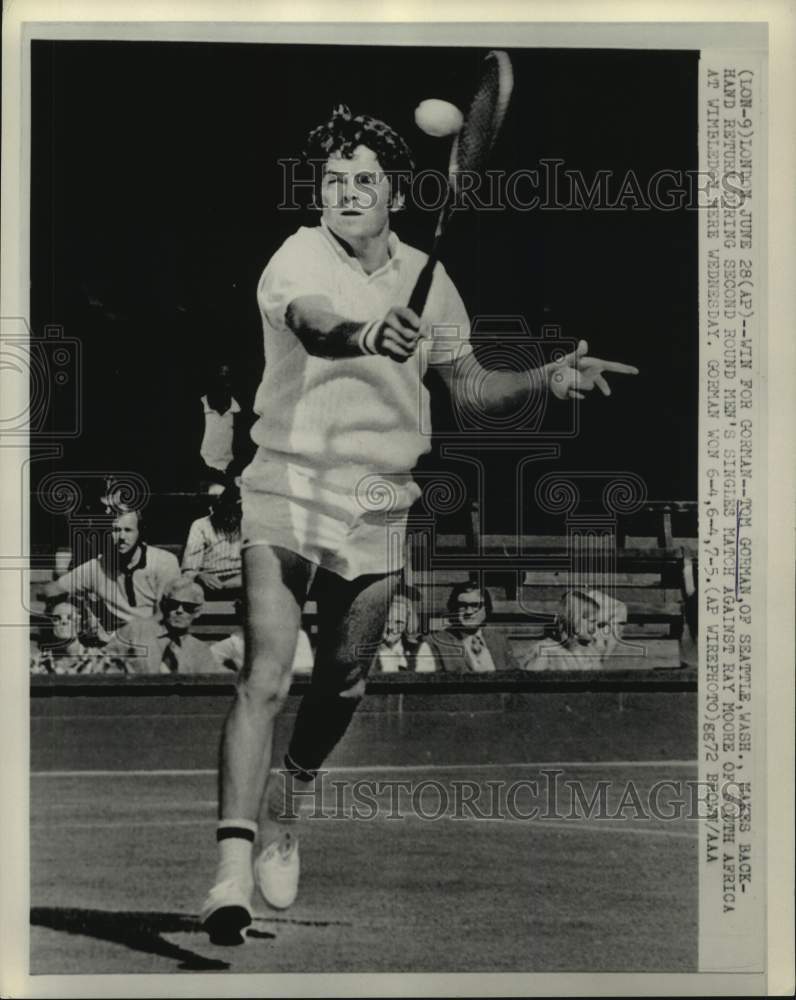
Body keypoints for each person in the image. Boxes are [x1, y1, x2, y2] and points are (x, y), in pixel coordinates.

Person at [200, 105, 639, 944]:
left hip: (378, 495)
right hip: (288, 481)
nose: (348, 192)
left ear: (395, 193)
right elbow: (314, 326)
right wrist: (366, 328)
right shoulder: (297, 256)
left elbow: (469, 389)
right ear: (318, 191)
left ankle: (287, 802)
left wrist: (545, 377)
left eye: (365, 179)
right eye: (334, 179)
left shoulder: (429, 279)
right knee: (264, 673)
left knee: (346, 680)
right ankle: (229, 873)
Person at [40, 508, 180, 640]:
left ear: (140, 532)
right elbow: (50, 589)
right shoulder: (99, 566)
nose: (122, 537)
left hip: (156, 636)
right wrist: (69, 605)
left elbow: (164, 615)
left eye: (128, 530)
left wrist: (131, 635)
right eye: (116, 530)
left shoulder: (164, 562)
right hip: (113, 640)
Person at [102, 575, 220, 674]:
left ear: (198, 612)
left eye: (188, 607)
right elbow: (103, 662)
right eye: (173, 604)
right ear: (164, 604)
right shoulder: (137, 630)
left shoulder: (200, 651)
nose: (179, 610)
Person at [422, 581, 518, 673]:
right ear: (453, 609)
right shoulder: (436, 643)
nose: (469, 612)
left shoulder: (500, 641)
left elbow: (516, 678)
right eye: (462, 606)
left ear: (487, 609)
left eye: (475, 605)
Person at [522, 588, 628, 671]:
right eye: (592, 621)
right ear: (575, 621)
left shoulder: (590, 653)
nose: (595, 628)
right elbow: (532, 684)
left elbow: (620, 608)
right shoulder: (546, 651)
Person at [211, 600, 314, 675]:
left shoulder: (297, 635)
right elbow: (207, 656)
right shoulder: (235, 640)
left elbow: (303, 672)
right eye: (246, 612)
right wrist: (231, 674)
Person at [193, 362, 251, 492]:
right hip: (199, 478)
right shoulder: (195, 411)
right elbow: (188, 456)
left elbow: (245, 454)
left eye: (227, 378)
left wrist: (232, 475)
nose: (224, 383)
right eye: (219, 377)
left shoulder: (240, 415)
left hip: (233, 479)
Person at [181, 484, 243, 591]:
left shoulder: (250, 524)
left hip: (241, 581)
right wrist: (199, 576)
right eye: (228, 513)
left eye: (237, 514)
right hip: (210, 583)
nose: (232, 520)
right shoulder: (201, 525)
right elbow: (188, 571)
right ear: (218, 509)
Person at [30, 598, 107, 674]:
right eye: (56, 619)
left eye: (70, 618)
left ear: (81, 624)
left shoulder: (99, 659)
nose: (64, 622)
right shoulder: (40, 662)